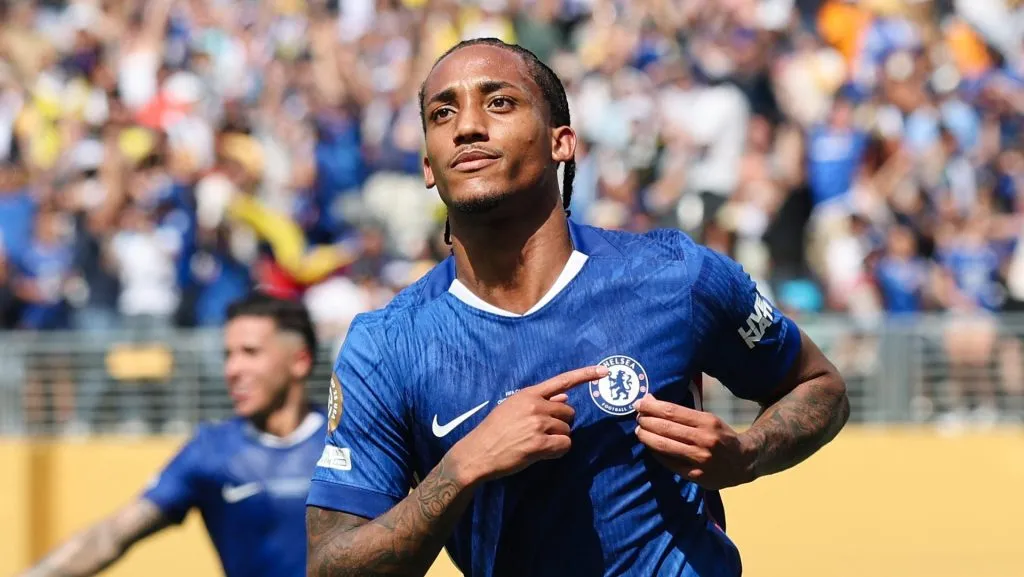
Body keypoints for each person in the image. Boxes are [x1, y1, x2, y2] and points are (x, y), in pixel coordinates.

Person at [305, 38, 850, 577]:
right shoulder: (387, 344)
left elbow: (819, 386)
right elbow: (331, 564)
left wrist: (748, 454)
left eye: (499, 102)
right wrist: (460, 469)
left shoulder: (675, 275)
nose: (467, 126)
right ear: (428, 165)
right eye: (442, 112)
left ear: (560, 142)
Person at [21, 292, 325, 577]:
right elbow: (109, 537)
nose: (232, 369)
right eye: (227, 355)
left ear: (300, 361)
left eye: (250, 352)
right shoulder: (210, 451)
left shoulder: (349, 443)